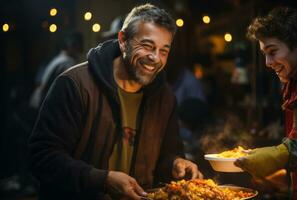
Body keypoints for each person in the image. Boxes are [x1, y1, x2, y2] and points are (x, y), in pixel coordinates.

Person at [28, 4, 203, 200]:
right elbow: (42, 158)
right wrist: (103, 180)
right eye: (147, 46)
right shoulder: (75, 85)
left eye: (164, 50)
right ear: (122, 40)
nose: (155, 58)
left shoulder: (165, 98)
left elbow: (166, 156)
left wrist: (175, 163)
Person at [234, 6, 297, 199]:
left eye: (273, 51)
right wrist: (283, 178)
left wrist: (280, 155)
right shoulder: (291, 83)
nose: (268, 62)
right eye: (265, 54)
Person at [30, 31, 83, 109]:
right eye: (78, 48)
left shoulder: (59, 59)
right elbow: (70, 92)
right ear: (71, 46)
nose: (79, 52)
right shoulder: (66, 63)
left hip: (41, 102)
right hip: (47, 106)